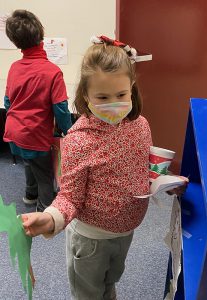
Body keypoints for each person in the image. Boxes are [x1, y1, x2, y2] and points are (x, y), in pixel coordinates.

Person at [22, 35, 188, 299]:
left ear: (132, 88)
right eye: (102, 96)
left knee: (110, 282)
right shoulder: (78, 140)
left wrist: (166, 183)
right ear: (85, 96)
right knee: (88, 293)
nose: (114, 103)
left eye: (121, 94)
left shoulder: (140, 125)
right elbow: (70, 196)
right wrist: (51, 217)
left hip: (126, 231)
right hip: (91, 240)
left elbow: (144, 170)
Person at [3, 10, 72, 212]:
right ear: (41, 36)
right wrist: (68, 131)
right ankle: (44, 211)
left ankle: (29, 195)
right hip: (35, 135)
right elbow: (60, 108)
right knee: (44, 174)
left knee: (28, 162)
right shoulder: (52, 71)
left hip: (14, 132)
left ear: (16, 43)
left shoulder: (14, 67)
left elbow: (8, 102)